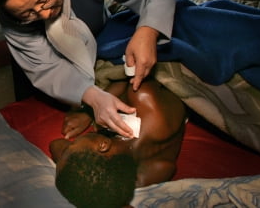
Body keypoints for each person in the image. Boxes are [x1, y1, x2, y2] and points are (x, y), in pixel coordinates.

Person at [0, 0, 177, 138]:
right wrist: (91, 99)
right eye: (27, 14)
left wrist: (148, 31)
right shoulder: (11, 17)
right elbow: (47, 70)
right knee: (32, 117)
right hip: (42, 68)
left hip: (98, 33)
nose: (44, 14)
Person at [49, 79, 187, 208]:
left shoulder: (136, 178)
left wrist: (90, 110)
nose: (70, 143)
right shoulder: (144, 101)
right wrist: (91, 110)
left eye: (70, 146)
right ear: (103, 145)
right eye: (72, 145)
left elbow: (55, 145)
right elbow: (123, 82)